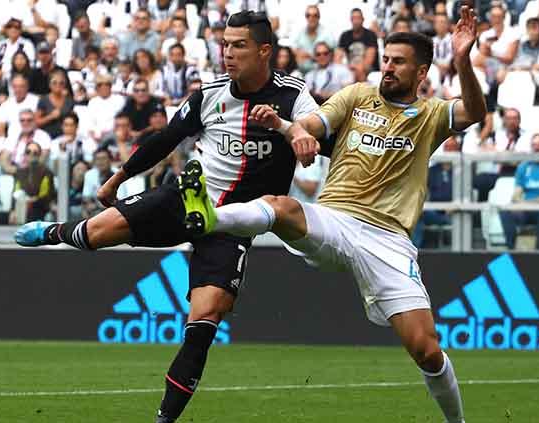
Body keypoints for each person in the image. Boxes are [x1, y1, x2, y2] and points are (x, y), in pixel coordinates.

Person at [175, 8, 486, 423]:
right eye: (386, 59)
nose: (388, 68)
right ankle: (209, 218)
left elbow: (475, 112)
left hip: (388, 240)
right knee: (282, 206)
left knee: (426, 350)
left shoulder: (430, 115)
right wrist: (291, 129)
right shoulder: (357, 96)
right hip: (336, 220)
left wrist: (463, 60)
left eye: (398, 62)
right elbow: (314, 122)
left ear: (422, 71)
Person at [14, 11, 321, 423]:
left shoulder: (294, 95)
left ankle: (165, 418)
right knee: (97, 232)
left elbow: (317, 130)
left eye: (239, 45)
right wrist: (117, 179)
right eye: (225, 44)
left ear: (265, 50)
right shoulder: (209, 94)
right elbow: (164, 140)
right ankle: (55, 231)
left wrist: (296, 133)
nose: (227, 53)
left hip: (234, 222)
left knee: (207, 316)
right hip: (183, 198)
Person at [499, 133, 539, 250]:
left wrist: (531, 203)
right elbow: (517, 193)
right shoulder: (523, 166)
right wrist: (520, 202)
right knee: (505, 212)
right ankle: (511, 249)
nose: (537, 148)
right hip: (526, 208)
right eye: (534, 145)